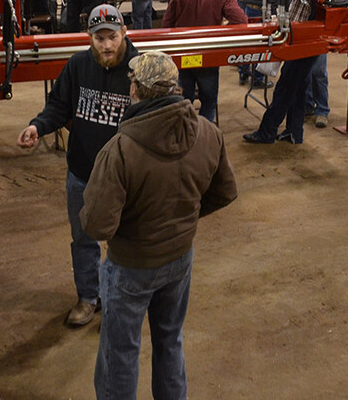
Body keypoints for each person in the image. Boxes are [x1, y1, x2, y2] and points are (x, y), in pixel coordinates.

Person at [80, 50, 237, 400]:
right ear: (174, 87)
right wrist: (184, 217)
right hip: (180, 259)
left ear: (136, 90)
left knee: (119, 352)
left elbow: (96, 226)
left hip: (131, 266)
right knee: (169, 340)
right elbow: (225, 193)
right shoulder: (209, 133)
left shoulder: (120, 150)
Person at [17, 4, 139, 328]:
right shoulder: (78, 65)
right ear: (90, 38)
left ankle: (121, 302)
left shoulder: (139, 70)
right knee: (83, 239)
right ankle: (89, 298)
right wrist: (38, 126)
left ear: (124, 33)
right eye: (99, 39)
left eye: (112, 37)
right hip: (82, 173)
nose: (107, 45)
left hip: (123, 179)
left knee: (123, 243)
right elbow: (58, 105)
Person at [243, 0, 322, 144]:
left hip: (298, 49)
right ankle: (294, 132)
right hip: (309, 49)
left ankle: (267, 132)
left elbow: (292, 23)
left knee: (284, 91)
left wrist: (274, 22)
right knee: (299, 90)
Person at [162, 0, 247, 121]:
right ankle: (203, 133)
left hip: (183, 53)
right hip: (208, 55)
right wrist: (222, 31)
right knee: (209, 100)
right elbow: (241, 20)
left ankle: (183, 130)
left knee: (183, 98)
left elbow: (167, 23)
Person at [298, 0, 339, 128]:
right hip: (302, 33)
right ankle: (307, 105)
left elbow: (337, 5)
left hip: (320, 34)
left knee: (318, 72)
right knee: (303, 72)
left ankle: (322, 110)